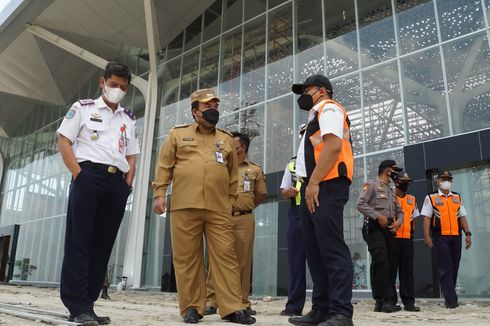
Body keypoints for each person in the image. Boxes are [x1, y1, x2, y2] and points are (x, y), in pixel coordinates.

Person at [152, 88, 255, 324]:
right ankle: (191, 308)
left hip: (218, 208)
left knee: (225, 257)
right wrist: (159, 194)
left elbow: (233, 175)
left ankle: (231, 308)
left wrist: (229, 200)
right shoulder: (177, 135)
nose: (213, 110)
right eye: (208, 106)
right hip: (184, 205)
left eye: (216, 106)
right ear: (195, 111)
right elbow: (164, 166)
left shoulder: (226, 138)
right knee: (187, 258)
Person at [57, 62, 139, 326]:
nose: (118, 90)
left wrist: (127, 183)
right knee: (79, 242)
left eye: (123, 87)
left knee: (102, 245)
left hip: (117, 183)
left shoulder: (128, 118)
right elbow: (64, 141)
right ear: (102, 81)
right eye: (113, 84)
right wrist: (78, 174)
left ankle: (89, 305)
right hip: (88, 176)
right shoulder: (82, 108)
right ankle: (76, 305)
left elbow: (131, 153)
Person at [288, 74, 354, 326]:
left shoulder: (329, 109)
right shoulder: (313, 118)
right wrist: (308, 185)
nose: (304, 93)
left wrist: (314, 183)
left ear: (323, 91)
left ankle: (341, 313)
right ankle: (321, 310)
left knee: (332, 249)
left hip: (326, 185)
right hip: (312, 186)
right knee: (315, 252)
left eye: (308, 89)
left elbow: (333, 147)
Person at [205, 132, 268, 316]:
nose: (230, 149)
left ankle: (241, 302)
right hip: (220, 218)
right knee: (216, 259)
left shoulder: (254, 170)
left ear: (243, 148)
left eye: (234, 147)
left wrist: (245, 207)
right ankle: (211, 301)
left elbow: (262, 194)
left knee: (243, 261)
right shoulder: (221, 167)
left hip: (244, 220)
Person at [357, 160, 404, 314]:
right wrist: (377, 216)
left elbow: (401, 211)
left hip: (389, 228)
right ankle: (388, 300)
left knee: (386, 263)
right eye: (394, 170)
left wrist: (398, 223)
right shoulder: (371, 185)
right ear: (387, 171)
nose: (396, 174)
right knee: (381, 259)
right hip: (374, 226)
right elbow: (360, 204)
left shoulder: (391, 191)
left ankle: (380, 301)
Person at [422, 170, 472, 309]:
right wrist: (427, 236)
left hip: (456, 236)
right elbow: (426, 218)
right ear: (437, 181)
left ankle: (449, 295)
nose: (446, 181)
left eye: (449, 179)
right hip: (440, 237)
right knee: (445, 267)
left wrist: (468, 234)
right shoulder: (430, 198)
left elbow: (462, 216)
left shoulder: (457, 197)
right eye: (443, 178)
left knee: (454, 266)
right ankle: (451, 300)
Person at [279, 124, 309, 317]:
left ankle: (330, 304)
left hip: (319, 211)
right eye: (304, 134)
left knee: (324, 258)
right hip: (297, 212)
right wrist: (286, 192)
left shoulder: (326, 157)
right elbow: (283, 189)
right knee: (296, 261)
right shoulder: (292, 164)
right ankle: (294, 306)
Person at [392, 170, 420, 312]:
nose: (406, 185)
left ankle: (409, 302)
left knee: (407, 272)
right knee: (391, 271)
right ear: (396, 182)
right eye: (404, 182)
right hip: (393, 239)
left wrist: (411, 227)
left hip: (407, 239)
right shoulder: (389, 197)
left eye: (407, 183)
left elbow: (415, 215)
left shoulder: (412, 199)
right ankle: (390, 302)